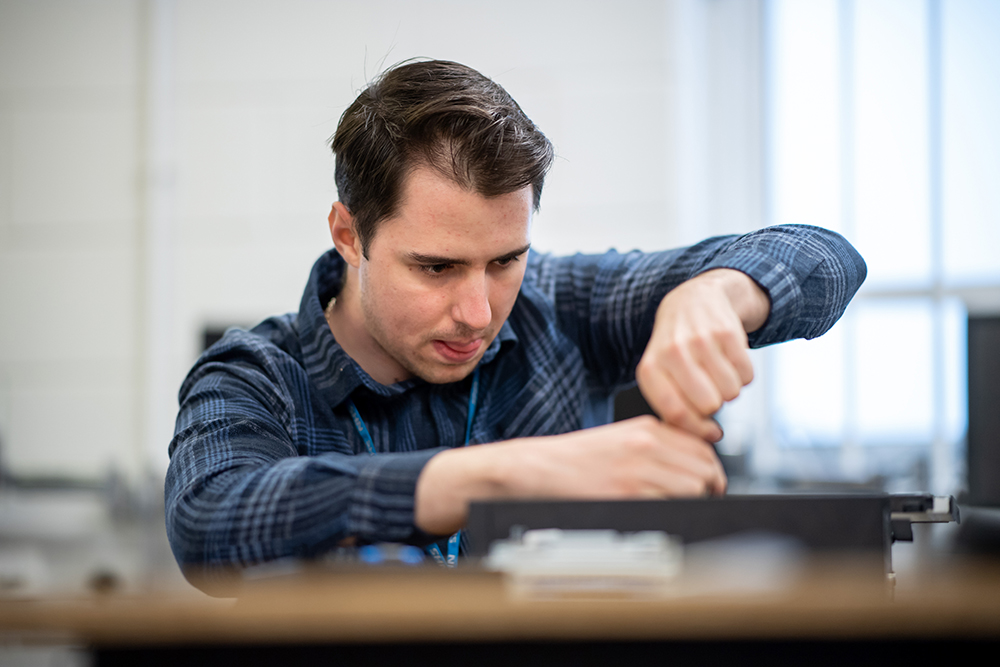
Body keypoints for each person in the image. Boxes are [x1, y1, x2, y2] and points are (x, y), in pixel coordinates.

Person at [165, 60, 866, 577]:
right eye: (436, 267)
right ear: (349, 235)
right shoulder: (257, 375)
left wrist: (718, 291)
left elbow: (830, 259)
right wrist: (504, 476)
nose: (478, 313)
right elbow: (208, 520)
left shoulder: (558, 307)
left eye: (505, 260)